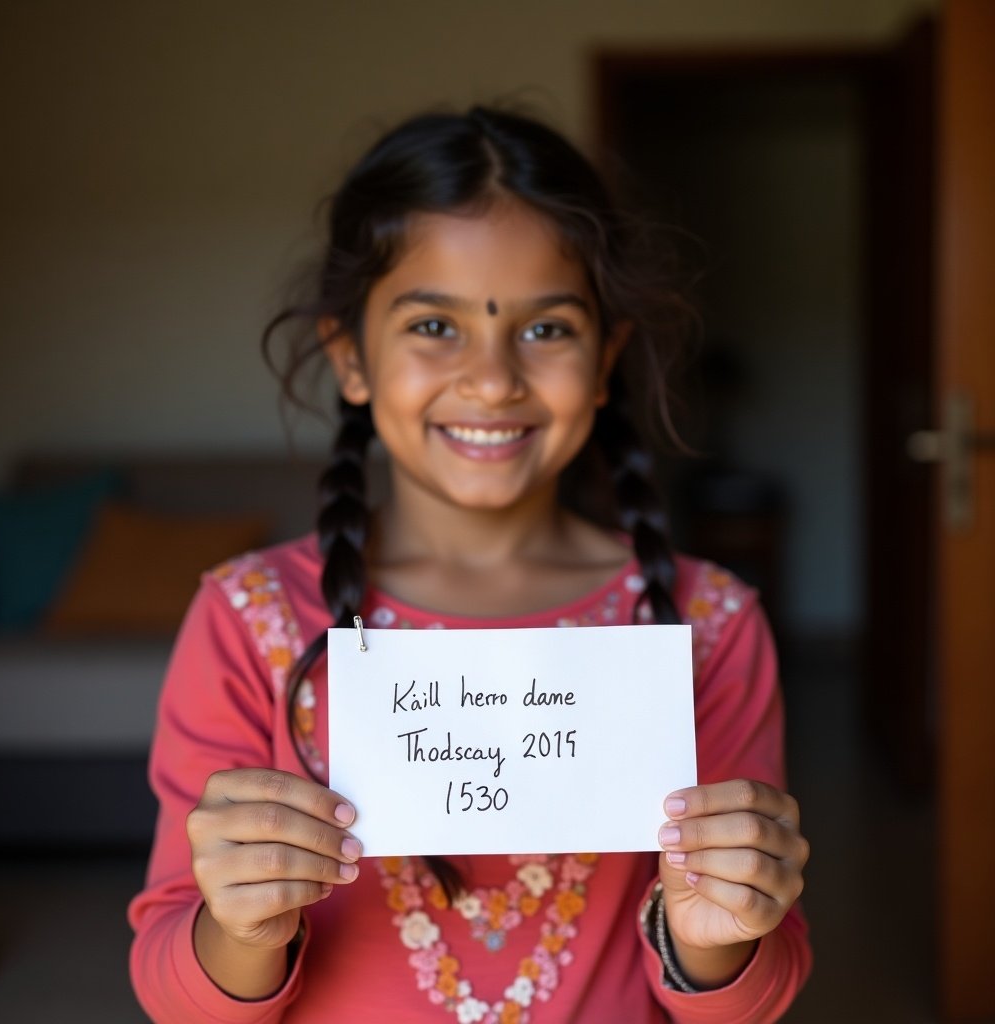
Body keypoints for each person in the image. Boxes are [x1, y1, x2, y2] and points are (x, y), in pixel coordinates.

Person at [128, 106, 811, 1023]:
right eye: (434, 326)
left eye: (545, 330)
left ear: (605, 359)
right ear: (350, 355)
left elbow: (754, 997)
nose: (492, 380)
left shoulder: (710, 624)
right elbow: (175, 996)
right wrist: (239, 930)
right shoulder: (250, 619)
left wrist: (714, 933)